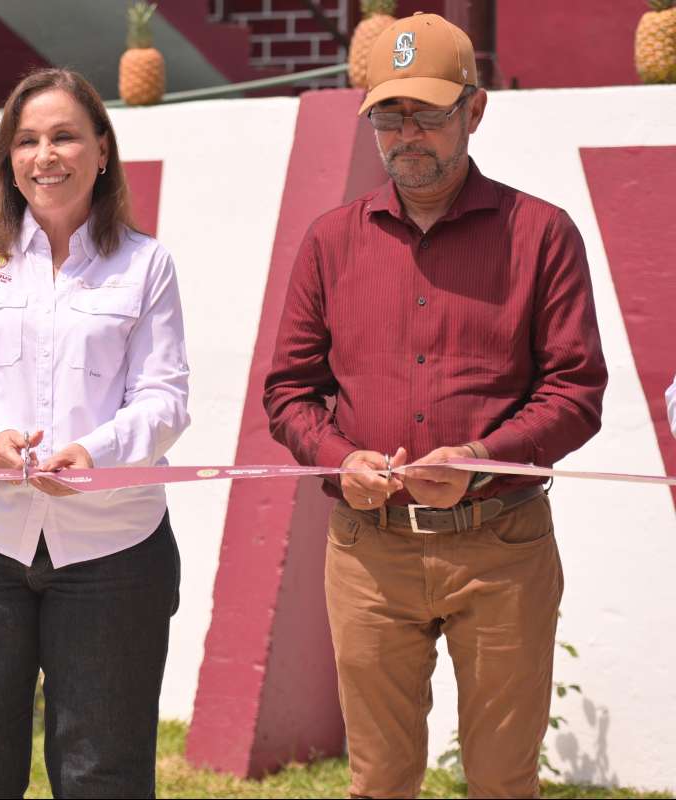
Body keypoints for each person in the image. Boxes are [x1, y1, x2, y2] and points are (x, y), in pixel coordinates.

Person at [263, 13, 607, 799]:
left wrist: (478, 462)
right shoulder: (330, 242)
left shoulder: (541, 236)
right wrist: (336, 456)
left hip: (502, 547)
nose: (406, 132)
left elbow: (575, 391)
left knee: (501, 780)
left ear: (474, 110)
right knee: (378, 781)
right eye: (389, 113)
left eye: (428, 112)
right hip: (367, 552)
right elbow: (289, 392)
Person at [0, 67, 190, 798]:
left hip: (113, 549)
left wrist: (95, 453)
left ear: (102, 150)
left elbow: (165, 399)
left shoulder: (146, 264)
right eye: (26, 140)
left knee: (106, 774)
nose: (45, 155)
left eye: (64, 136)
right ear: (8, 158)